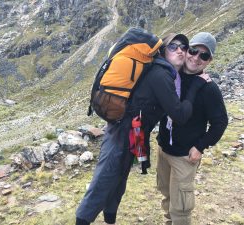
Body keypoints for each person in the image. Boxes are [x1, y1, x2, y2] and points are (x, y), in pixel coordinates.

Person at [75, 32, 209, 225]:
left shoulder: (167, 73)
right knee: (105, 178)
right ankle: (82, 220)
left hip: (131, 131)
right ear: (163, 51)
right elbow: (179, 115)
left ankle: (110, 219)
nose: (180, 50)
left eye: (184, 47)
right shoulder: (160, 74)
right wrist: (196, 86)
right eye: (173, 46)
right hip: (123, 131)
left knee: (119, 176)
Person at [156, 32, 229, 225]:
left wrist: (200, 146)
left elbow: (220, 122)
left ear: (209, 61)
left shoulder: (208, 89)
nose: (196, 57)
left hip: (185, 156)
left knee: (181, 206)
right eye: (194, 50)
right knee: (167, 194)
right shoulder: (171, 73)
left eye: (204, 55)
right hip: (163, 149)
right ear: (186, 49)